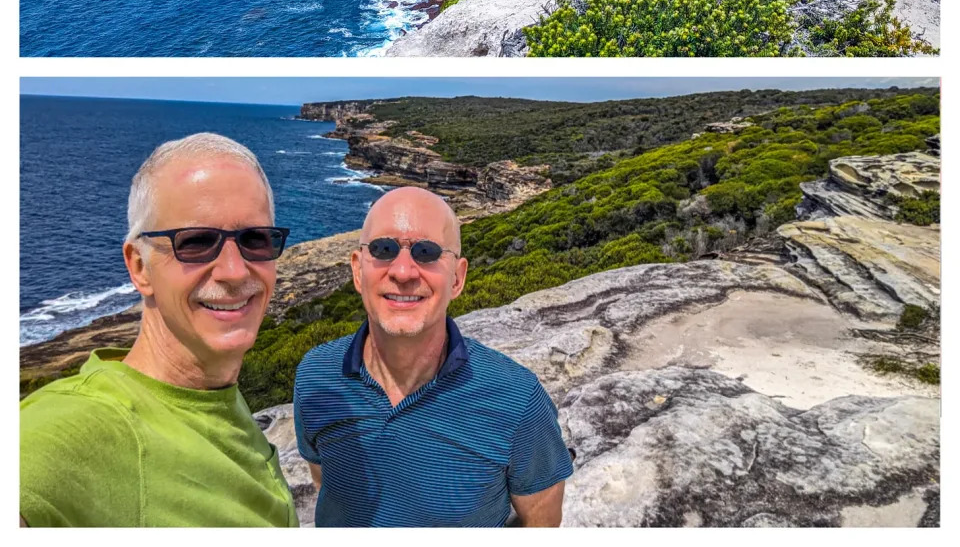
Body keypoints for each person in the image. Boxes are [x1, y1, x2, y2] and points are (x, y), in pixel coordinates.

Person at [20, 133, 299, 527]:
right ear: (138, 266)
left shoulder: (214, 399)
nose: (234, 271)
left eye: (255, 239)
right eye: (197, 242)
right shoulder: (80, 428)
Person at [294, 186, 573, 527]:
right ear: (357, 270)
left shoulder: (517, 400)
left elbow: (541, 523)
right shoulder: (316, 377)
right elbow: (326, 483)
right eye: (383, 249)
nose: (403, 272)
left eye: (427, 252)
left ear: (457, 278)